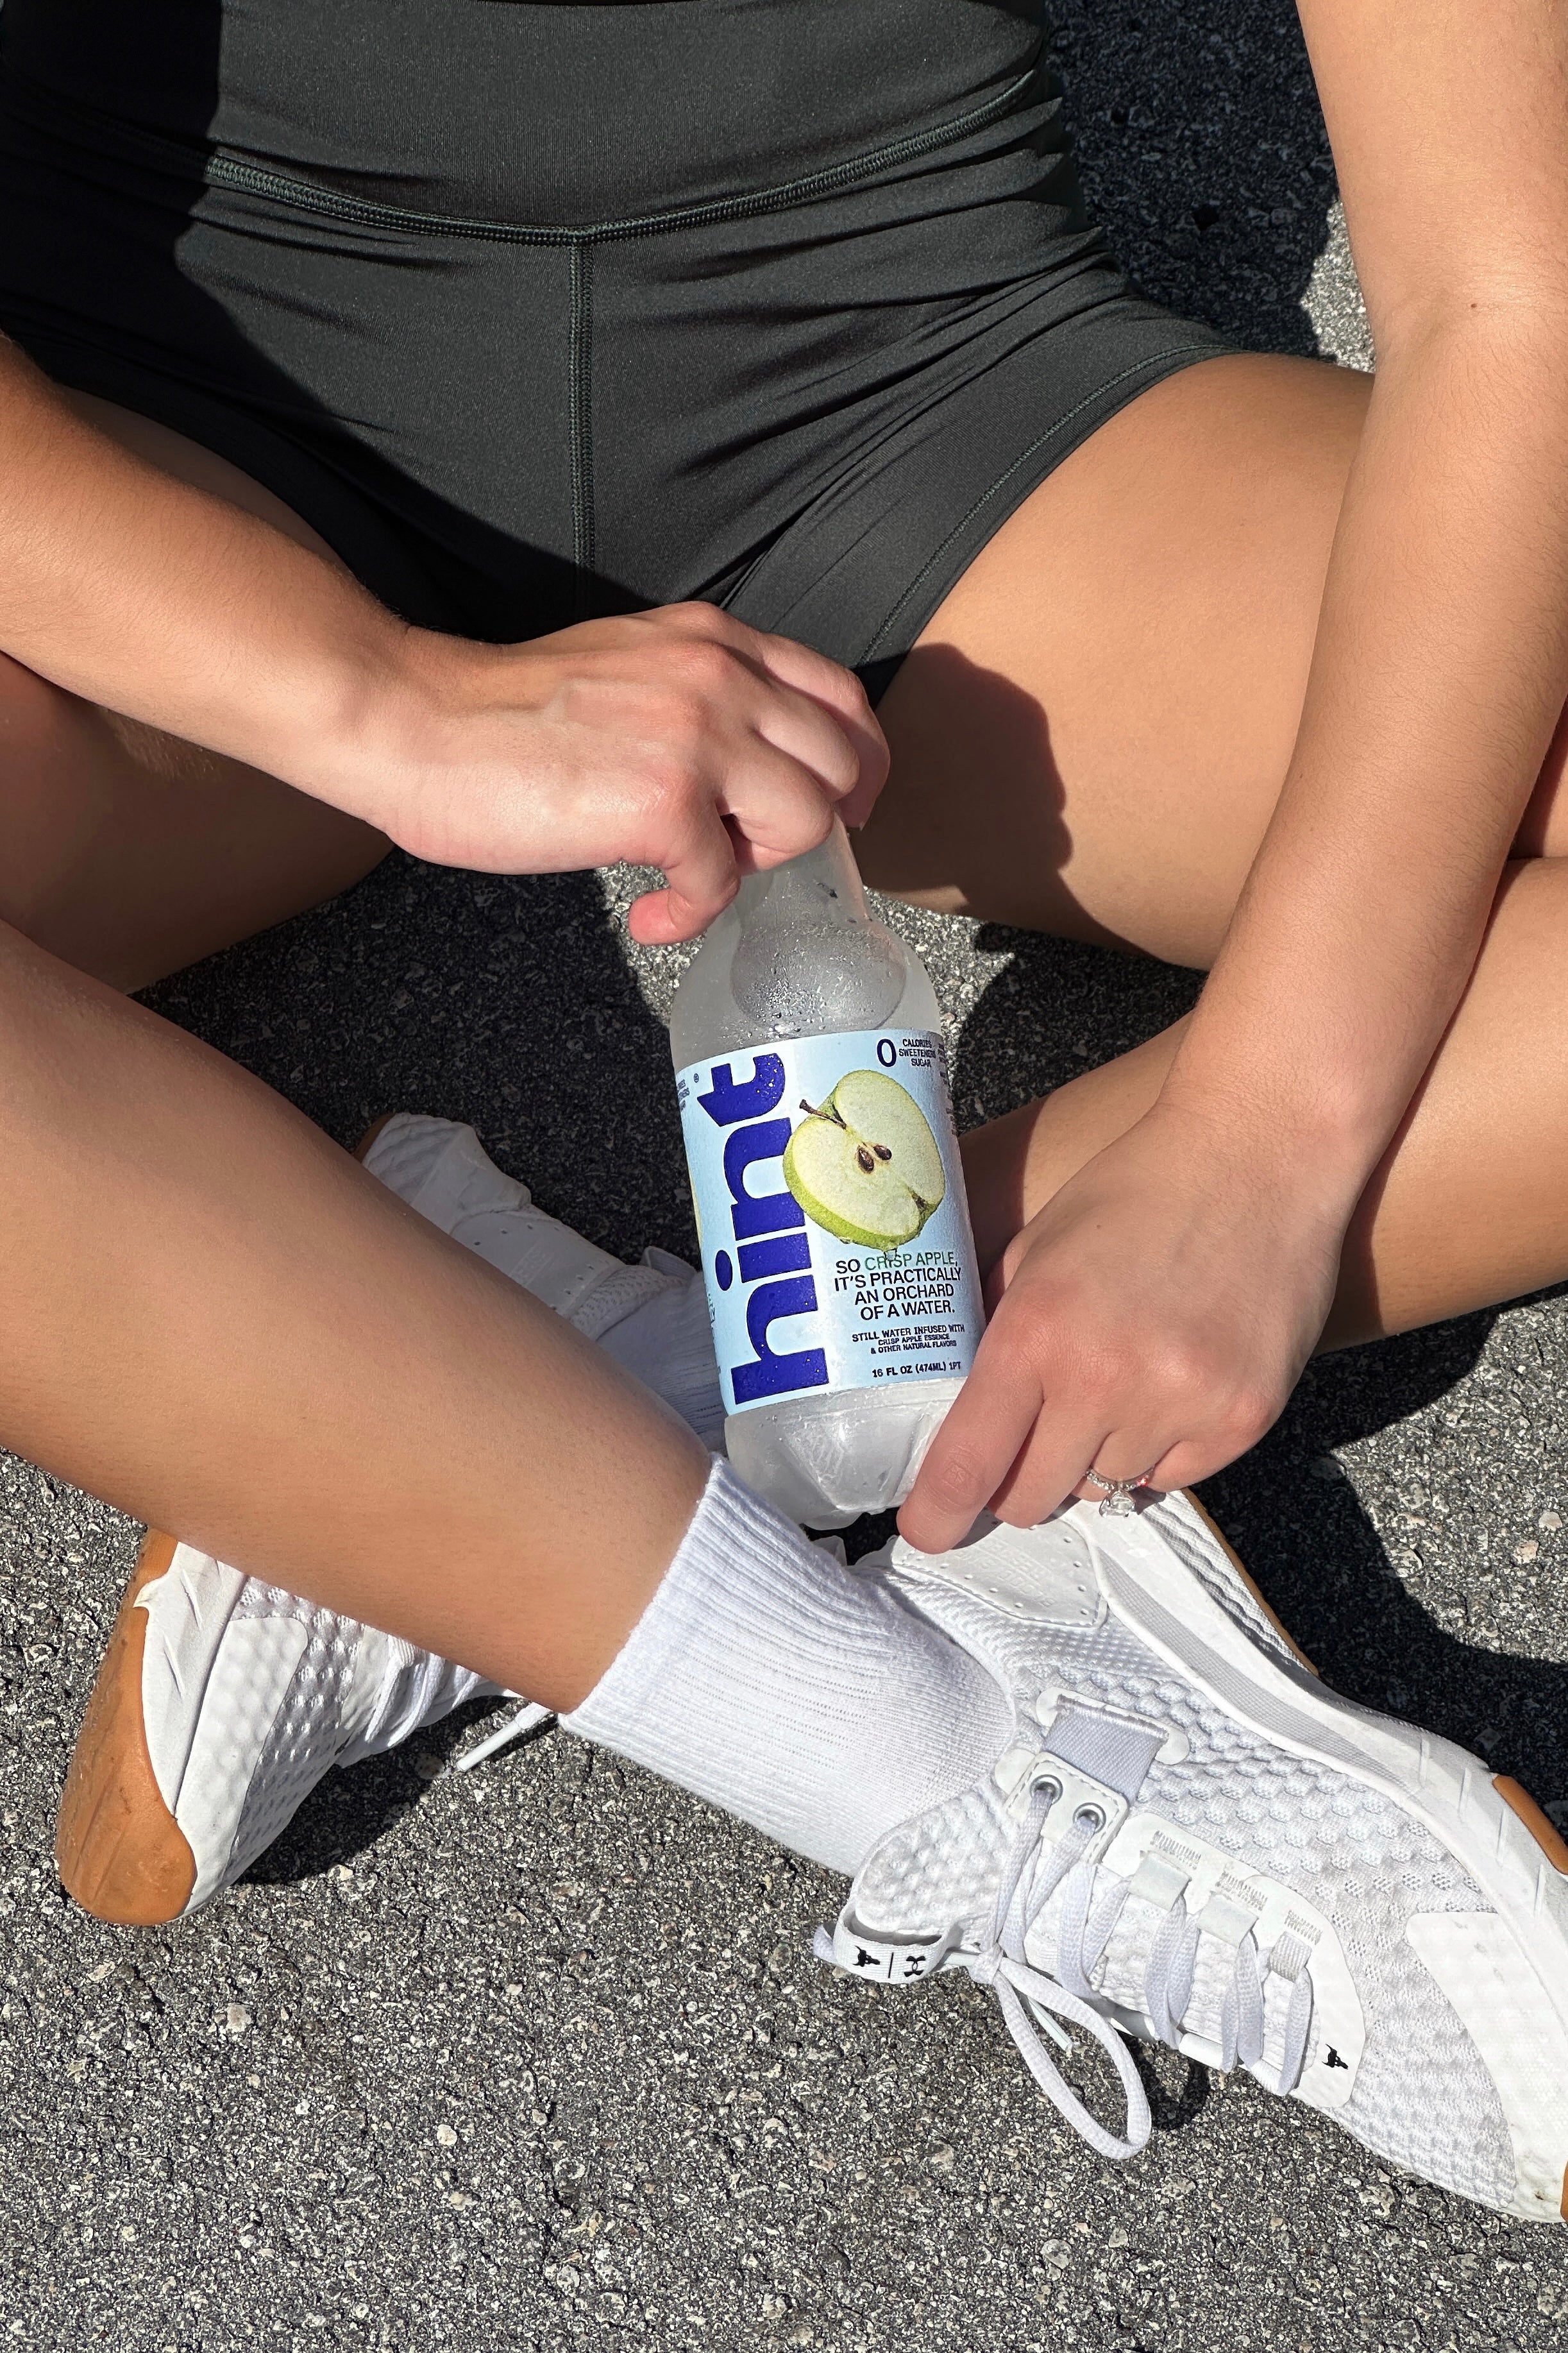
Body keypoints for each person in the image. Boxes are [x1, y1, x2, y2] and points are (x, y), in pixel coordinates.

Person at [3, 0, 1567, 2221]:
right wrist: (371, 698)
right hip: (148, 416)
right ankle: (921, 1755)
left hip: (911, 364)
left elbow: (1517, 290)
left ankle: (480, 1399)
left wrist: (1274, 1134)